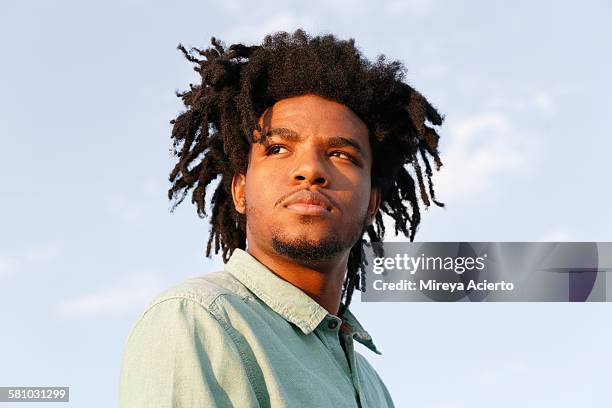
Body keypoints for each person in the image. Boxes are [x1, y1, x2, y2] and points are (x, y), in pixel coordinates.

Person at [119, 29, 444, 407]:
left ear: (372, 202)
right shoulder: (197, 321)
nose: (310, 169)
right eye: (277, 148)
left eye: (341, 154)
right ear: (240, 190)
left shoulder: (372, 387)